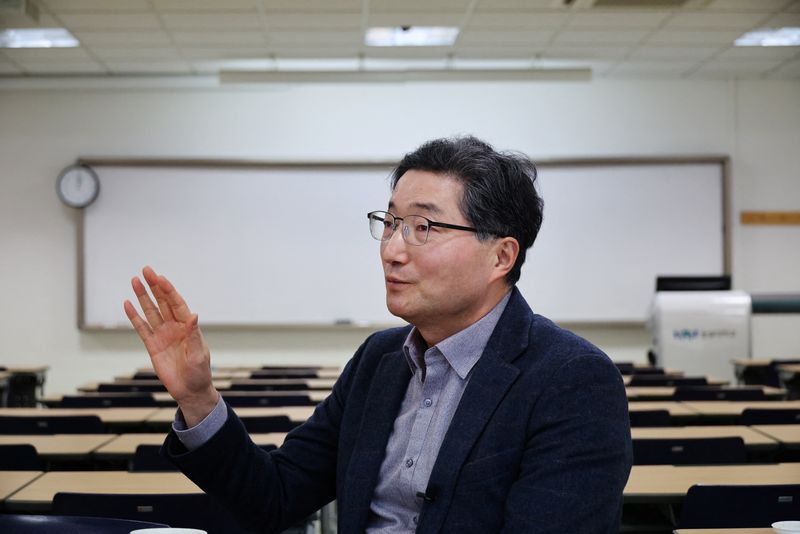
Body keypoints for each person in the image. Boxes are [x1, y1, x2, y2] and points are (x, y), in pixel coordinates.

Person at [124, 136, 632, 534]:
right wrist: (197, 397)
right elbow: (273, 499)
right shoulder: (380, 360)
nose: (392, 249)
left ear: (501, 255)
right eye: (390, 222)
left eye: (424, 228)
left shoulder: (571, 379)